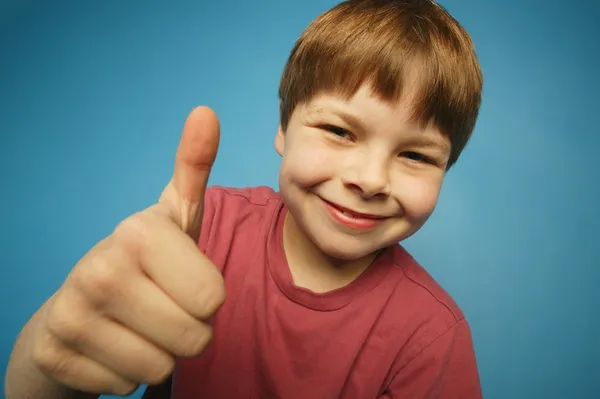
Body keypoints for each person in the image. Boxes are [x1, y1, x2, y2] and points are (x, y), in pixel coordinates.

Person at [5, 0, 484, 398]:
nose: (370, 179)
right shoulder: (204, 229)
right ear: (282, 127)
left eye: (416, 156)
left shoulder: (431, 339)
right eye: (339, 130)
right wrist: (49, 353)